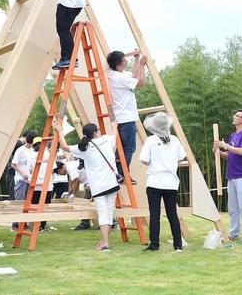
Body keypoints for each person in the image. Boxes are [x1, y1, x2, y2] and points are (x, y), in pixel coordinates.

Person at [54, 120, 120, 251]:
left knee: (103, 213)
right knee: (109, 211)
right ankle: (105, 240)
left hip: (98, 186)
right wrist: (114, 127)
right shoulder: (107, 140)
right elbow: (115, 139)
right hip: (112, 183)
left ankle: (105, 242)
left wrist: (60, 132)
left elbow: (65, 147)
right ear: (95, 133)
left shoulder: (85, 148)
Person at [140, 112, 186, 252]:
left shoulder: (151, 140)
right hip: (171, 182)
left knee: (154, 214)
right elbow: (181, 157)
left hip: (154, 181)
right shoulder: (175, 140)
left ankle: (154, 244)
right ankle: (178, 244)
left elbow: (144, 160)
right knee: (172, 213)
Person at [214, 109, 242, 244]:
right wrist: (218, 151)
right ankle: (234, 232)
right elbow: (230, 155)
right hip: (231, 175)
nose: (234, 117)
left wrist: (225, 145)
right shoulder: (233, 135)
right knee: (232, 207)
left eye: (237, 116)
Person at [106, 50, 148, 178]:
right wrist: (142, 65)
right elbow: (140, 82)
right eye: (124, 60)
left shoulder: (116, 75)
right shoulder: (119, 77)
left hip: (121, 117)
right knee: (129, 148)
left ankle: (119, 172)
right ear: (119, 65)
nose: (126, 61)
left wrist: (136, 59)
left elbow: (134, 75)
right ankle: (123, 173)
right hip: (126, 117)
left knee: (122, 148)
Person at [11, 130, 38, 231]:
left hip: (29, 180)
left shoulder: (32, 151)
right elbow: (13, 164)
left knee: (27, 202)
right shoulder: (20, 150)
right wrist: (22, 173)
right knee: (19, 202)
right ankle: (15, 224)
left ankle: (24, 223)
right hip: (20, 179)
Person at [30, 138, 55, 231]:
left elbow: (30, 169)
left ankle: (39, 225)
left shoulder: (46, 155)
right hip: (41, 184)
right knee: (41, 205)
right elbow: (52, 170)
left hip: (41, 184)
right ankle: (39, 225)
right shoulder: (47, 155)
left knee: (40, 205)